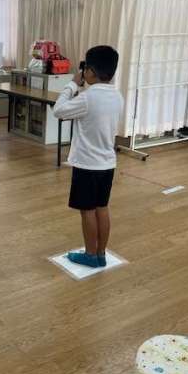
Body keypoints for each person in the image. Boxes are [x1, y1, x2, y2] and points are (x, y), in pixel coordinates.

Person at [53, 45, 124, 268]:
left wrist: (72, 84)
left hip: (87, 165)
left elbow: (58, 110)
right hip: (107, 164)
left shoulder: (87, 98)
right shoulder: (117, 96)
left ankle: (90, 255)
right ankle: (101, 253)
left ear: (90, 72)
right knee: (102, 208)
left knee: (87, 211)